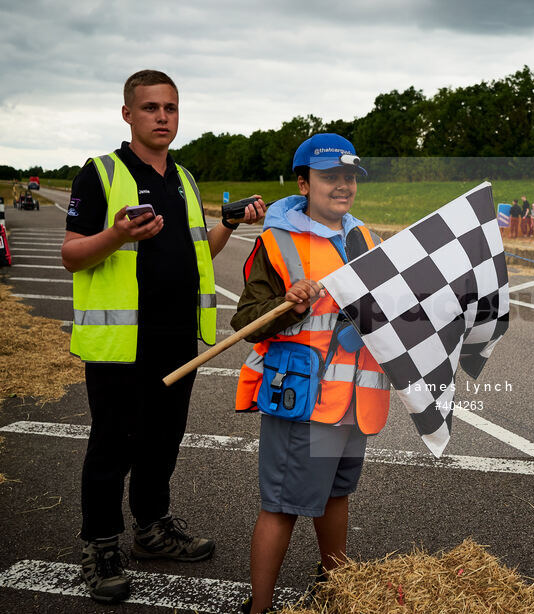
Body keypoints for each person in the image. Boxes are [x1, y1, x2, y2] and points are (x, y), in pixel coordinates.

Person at [61, 70, 265, 604]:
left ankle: (151, 530)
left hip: (178, 339)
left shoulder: (186, 179)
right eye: (150, 108)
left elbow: (201, 255)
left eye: (170, 108)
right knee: (113, 444)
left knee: (161, 442)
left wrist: (230, 223)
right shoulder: (100, 174)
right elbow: (70, 255)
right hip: (122, 343)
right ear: (128, 114)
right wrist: (117, 233)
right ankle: (101, 544)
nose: (162, 117)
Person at [232, 134, 390, 614]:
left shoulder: (366, 238)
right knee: (281, 506)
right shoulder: (276, 240)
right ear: (304, 183)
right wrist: (287, 303)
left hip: (352, 401)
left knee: (336, 494)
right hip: (300, 397)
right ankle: (259, 607)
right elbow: (245, 319)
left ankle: (336, 584)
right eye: (329, 177)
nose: (341, 187)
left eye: (348, 177)